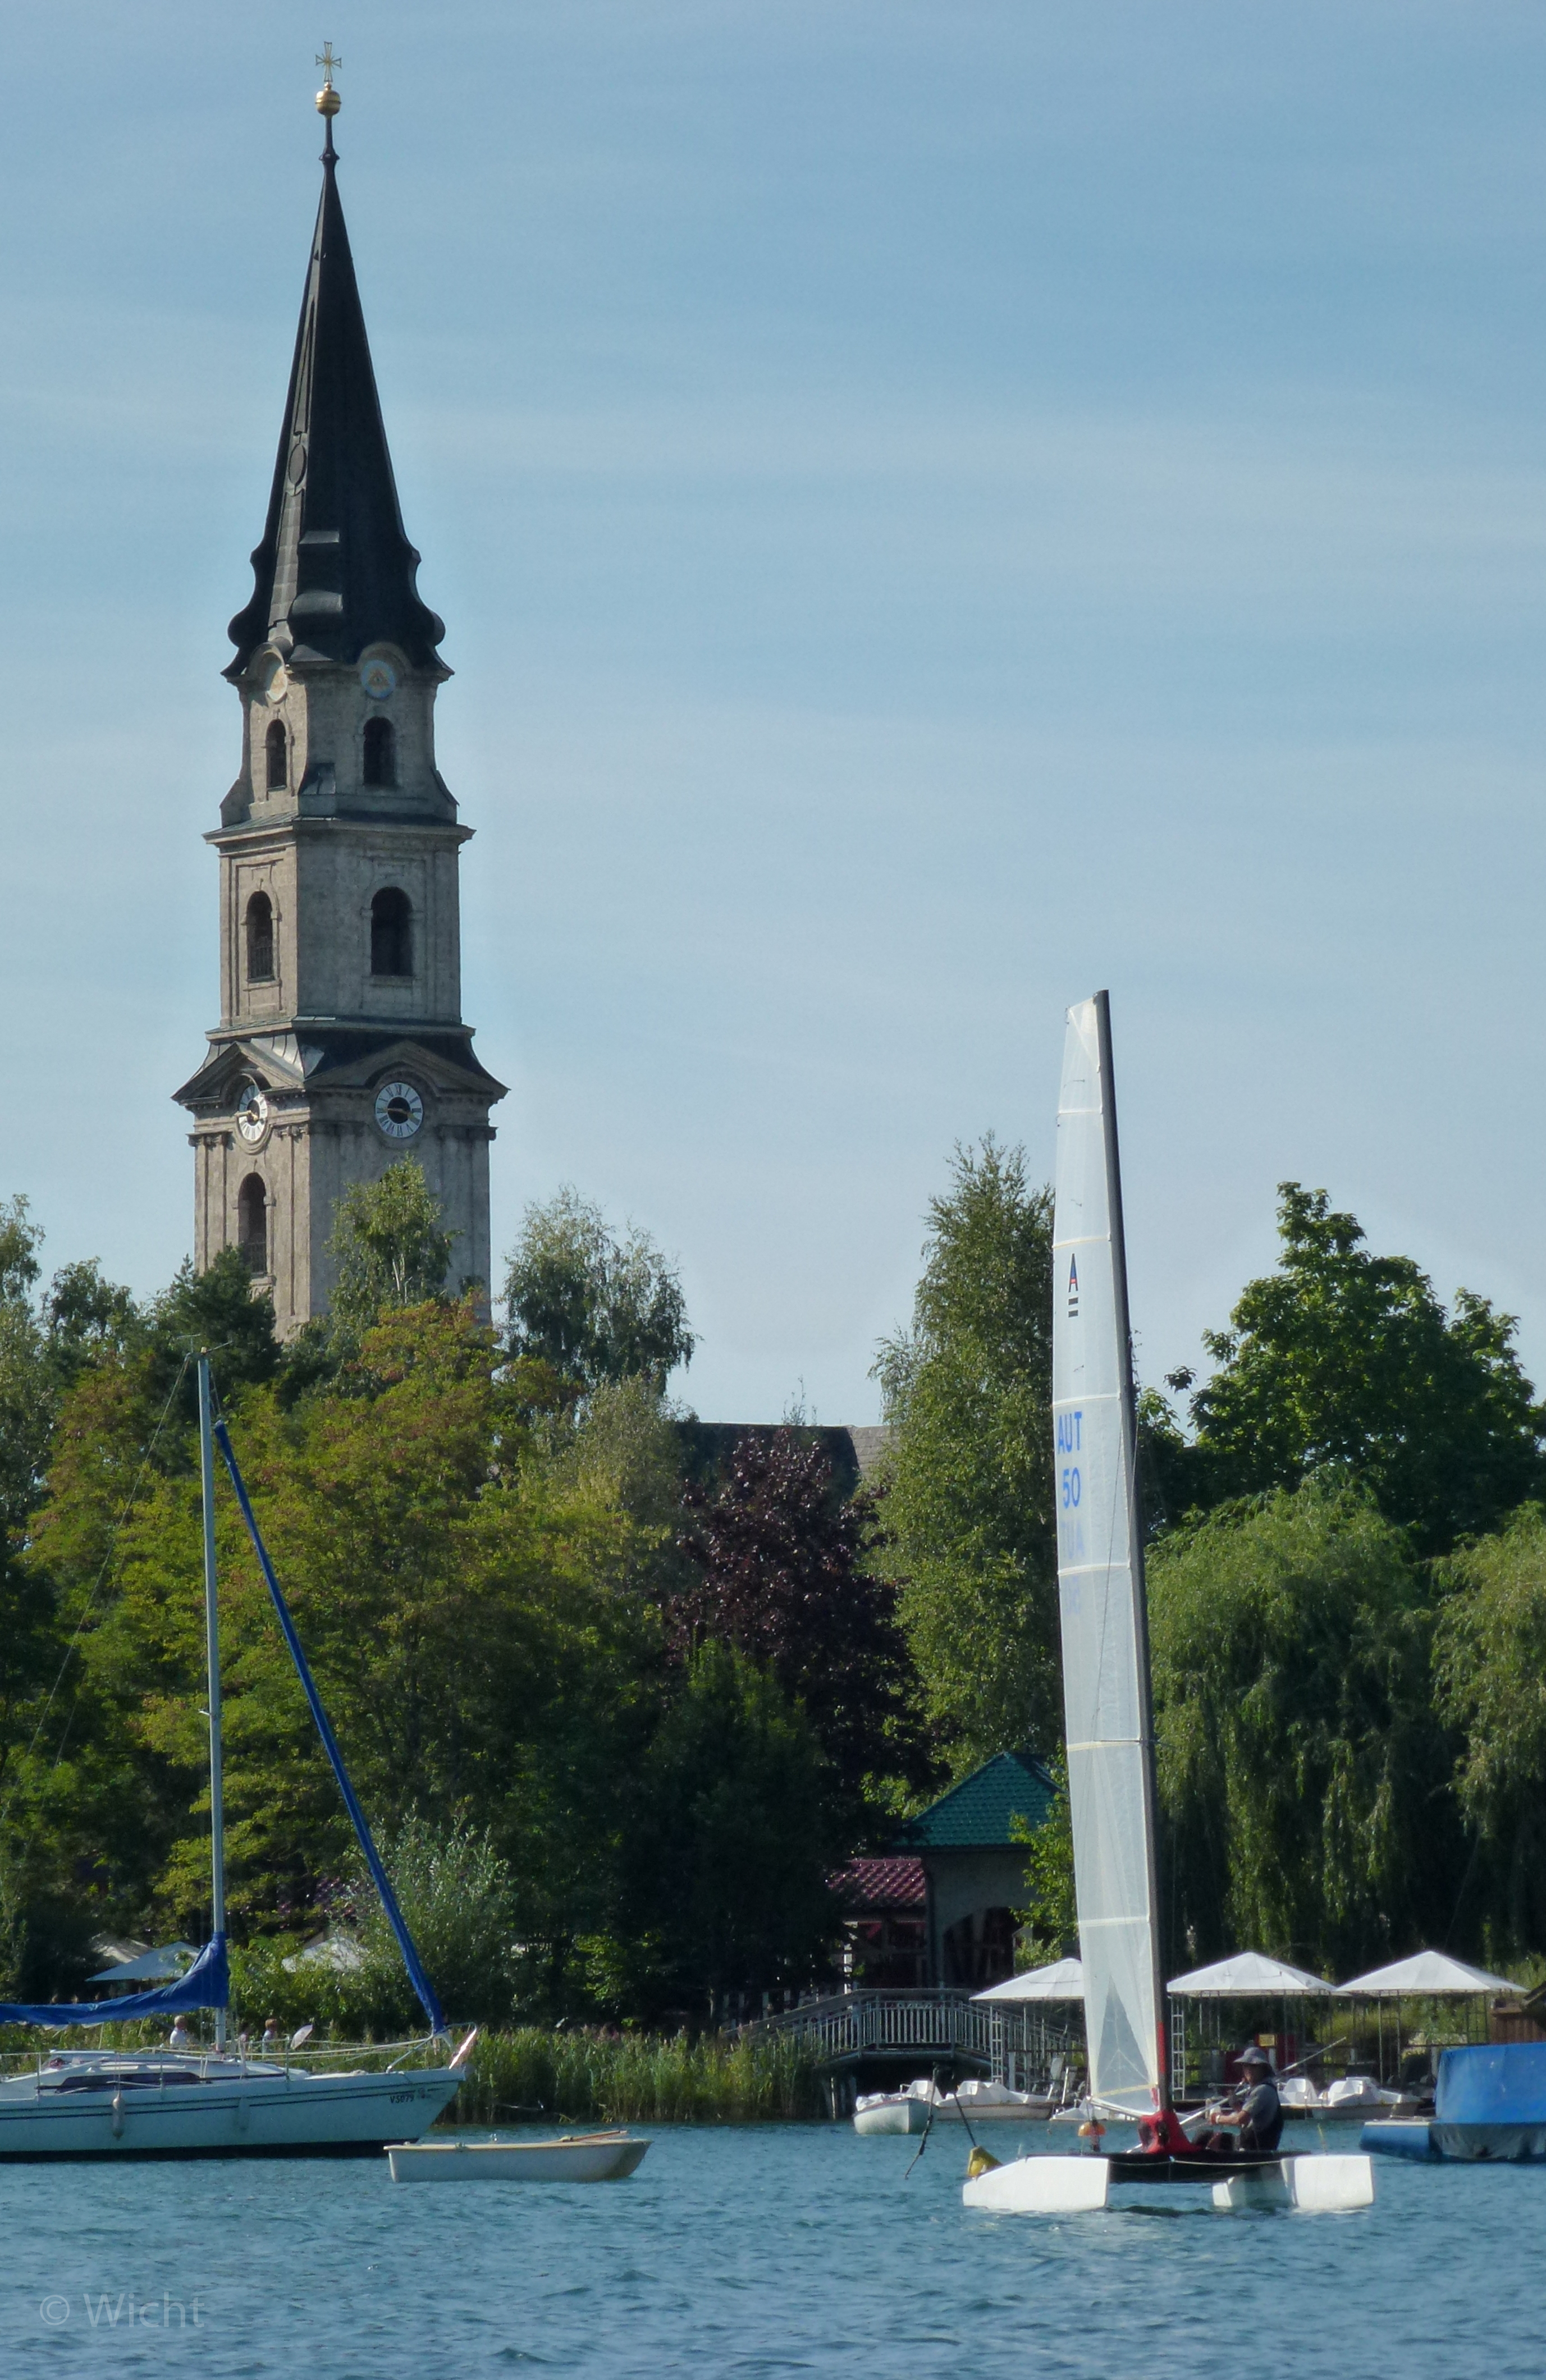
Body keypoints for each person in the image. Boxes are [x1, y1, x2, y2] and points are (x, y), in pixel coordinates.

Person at [1201, 2045, 1283, 2155]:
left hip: (1256, 2152)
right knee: (1208, 2137)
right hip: (1251, 2147)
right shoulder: (1260, 2089)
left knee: (1204, 2137)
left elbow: (1240, 2120)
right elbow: (1250, 2121)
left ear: (1263, 2069)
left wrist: (1217, 2118)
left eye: (1253, 2066)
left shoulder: (1263, 2090)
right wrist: (1236, 2105)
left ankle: (1195, 2160)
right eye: (1246, 2066)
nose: (1249, 2070)